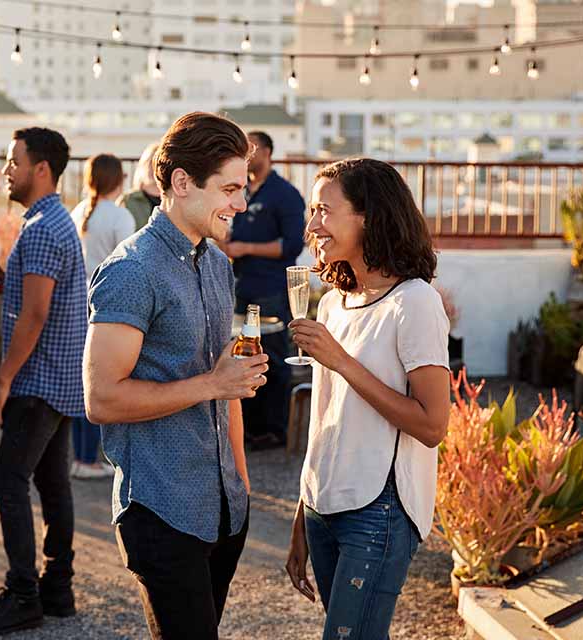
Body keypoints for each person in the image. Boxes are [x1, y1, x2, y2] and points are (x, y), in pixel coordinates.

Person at [85, 112, 268, 639]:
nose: (241, 203)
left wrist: (242, 483)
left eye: (243, 188)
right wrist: (212, 384)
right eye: (230, 188)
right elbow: (101, 399)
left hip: (225, 507)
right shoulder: (130, 270)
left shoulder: (215, 262)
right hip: (161, 510)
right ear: (182, 182)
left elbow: (226, 381)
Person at [284, 158, 451, 640]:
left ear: (369, 217)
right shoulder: (335, 301)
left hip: (378, 510)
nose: (312, 224)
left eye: (324, 210)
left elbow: (432, 425)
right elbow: (326, 416)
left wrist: (341, 360)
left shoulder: (415, 303)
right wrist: (302, 511)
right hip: (324, 505)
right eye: (313, 211)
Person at [0, 127, 87, 637]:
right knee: (52, 481)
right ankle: (57, 588)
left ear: (40, 169)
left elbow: (34, 315)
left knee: (6, 480)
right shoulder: (57, 220)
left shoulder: (40, 229)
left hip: (37, 380)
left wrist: (2, 381)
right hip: (61, 377)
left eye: (12, 161)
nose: (5, 171)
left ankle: (23, 595)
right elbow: (40, 300)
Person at [218, 131, 305, 449]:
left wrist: (245, 247)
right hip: (239, 287)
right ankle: (249, 429)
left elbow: (292, 245)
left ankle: (275, 430)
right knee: (242, 357)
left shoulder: (285, 195)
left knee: (273, 358)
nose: (246, 155)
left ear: (267, 152)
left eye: (251, 150)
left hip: (269, 289)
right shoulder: (241, 191)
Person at [68, 153, 134, 480]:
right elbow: (129, 266)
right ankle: (92, 459)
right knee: (106, 383)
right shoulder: (120, 218)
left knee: (85, 383)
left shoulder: (79, 211)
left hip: (77, 303)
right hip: (109, 307)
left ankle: (81, 456)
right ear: (119, 179)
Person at [117, 142, 161, 231]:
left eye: (156, 163)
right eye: (149, 163)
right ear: (142, 165)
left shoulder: (173, 200)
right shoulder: (127, 200)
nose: (152, 168)